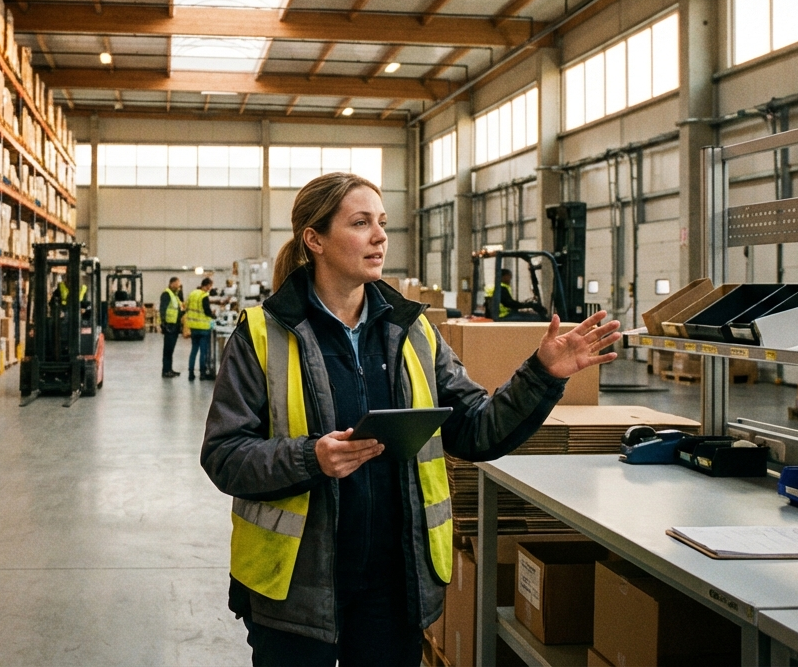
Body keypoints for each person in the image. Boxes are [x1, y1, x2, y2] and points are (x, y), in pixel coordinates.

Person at [200, 172, 619, 666]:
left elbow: (477, 429)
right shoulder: (263, 333)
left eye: (382, 222)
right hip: (296, 590)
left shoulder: (412, 330)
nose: (380, 236)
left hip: (393, 589)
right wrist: (312, 458)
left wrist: (542, 374)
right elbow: (225, 454)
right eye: (361, 223)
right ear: (314, 239)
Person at [185, 277, 216, 381]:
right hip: (203, 328)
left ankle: (191, 373)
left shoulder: (192, 294)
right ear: (207, 285)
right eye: (210, 286)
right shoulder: (204, 295)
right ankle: (202, 373)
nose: (210, 288)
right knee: (203, 352)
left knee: (193, 350)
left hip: (193, 327)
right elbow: (207, 311)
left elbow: (186, 307)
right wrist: (213, 315)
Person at [159, 277, 184, 378]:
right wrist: (163, 324)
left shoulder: (175, 295)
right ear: (172, 283)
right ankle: (165, 371)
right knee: (168, 350)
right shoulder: (166, 294)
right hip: (169, 326)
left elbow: (179, 308)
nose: (179, 286)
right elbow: (162, 309)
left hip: (175, 326)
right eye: (177, 284)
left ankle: (169, 369)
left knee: (171, 350)